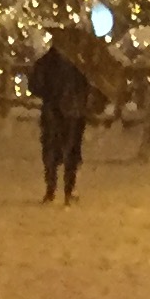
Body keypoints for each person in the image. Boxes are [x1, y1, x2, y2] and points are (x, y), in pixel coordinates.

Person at [30, 27, 100, 205]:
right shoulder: (77, 64)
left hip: (60, 112)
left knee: (56, 152)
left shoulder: (48, 62)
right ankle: (62, 191)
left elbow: (34, 86)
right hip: (68, 112)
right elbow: (88, 85)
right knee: (66, 152)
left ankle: (56, 190)